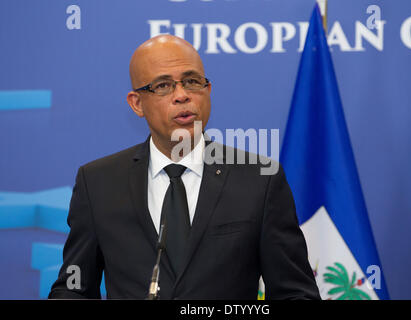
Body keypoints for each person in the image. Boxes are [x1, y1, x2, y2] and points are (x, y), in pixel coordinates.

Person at [48, 35, 320, 300]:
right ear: (137, 103)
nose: (182, 96)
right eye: (163, 86)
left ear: (208, 90)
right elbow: (75, 286)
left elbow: (295, 292)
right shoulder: (98, 183)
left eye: (192, 82)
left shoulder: (260, 179)